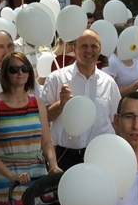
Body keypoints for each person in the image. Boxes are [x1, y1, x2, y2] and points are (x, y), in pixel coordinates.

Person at [0, 52, 60, 205]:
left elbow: (46, 142)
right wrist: (11, 175)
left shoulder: (37, 103)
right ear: (5, 73)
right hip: (7, 178)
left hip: (37, 175)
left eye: (24, 68)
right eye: (14, 69)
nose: (20, 73)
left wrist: (53, 165)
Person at [41, 30, 121, 170]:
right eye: (84, 46)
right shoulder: (56, 78)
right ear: (74, 48)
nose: (89, 50)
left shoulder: (109, 83)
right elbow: (43, 118)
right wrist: (61, 104)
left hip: (101, 155)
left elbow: (116, 121)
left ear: (100, 49)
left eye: (93, 46)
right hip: (65, 157)